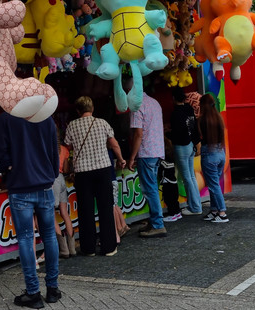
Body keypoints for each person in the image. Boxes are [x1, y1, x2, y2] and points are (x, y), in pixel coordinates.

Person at [0, 111, 62, 309]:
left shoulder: (7, 118)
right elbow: (54, 150)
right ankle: (53, 289)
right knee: (49, 236)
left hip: (20, 186)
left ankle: (33, 293)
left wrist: (7, 165)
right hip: (44, 185)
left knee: (26, 238)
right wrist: (52, 173)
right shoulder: (46, 117)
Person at [64, 96, 126, 257]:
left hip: (82, 173)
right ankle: (109, 247)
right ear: (92, 109)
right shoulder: (102, 123)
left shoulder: (72, 125)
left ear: (78, 110)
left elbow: (68, 147)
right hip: (103, 170)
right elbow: (114, 144)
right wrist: (121, 159)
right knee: (106, 208)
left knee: (86, 210)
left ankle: (88, 248)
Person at [129, 88, 167, 238]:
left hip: (146, 152)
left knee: (150, 190)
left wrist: (132, 156)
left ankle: (158, 224)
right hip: (157, 151)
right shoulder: (154, 102)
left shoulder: (137, 106)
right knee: (153, 188)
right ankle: (154, 221)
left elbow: (138, 134)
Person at [170, 91, 202, 218]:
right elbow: (193, 127)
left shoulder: (175, 114)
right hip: (190, 145)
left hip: (181, 146)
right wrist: (196, 142)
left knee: (187, 178)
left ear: (174, 98)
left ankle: (195, 207)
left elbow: (176, 132)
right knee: (192, 177)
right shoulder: (189, 109)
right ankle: (197, 205)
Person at [198, 94, 229, 223]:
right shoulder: (218, 118)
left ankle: (222, 212)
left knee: (213, 185)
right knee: (214, 184)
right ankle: (214, 210)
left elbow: (198, 137)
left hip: (209, 154)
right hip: (220, 153)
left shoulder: (202, 120)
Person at [50, 167, 76, 258]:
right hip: (61, 178)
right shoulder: (63, 155)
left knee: (51, 215)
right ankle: (72, 249)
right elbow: (66, 169)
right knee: (64, 213)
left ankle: (64, 249)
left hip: (52, 179)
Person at [159, 137, 181, 220]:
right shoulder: (172, 159)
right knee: (175, 199)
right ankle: (177, 212)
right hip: (174, 182)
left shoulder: (162, 162)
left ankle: (172, 214)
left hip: (167, 182)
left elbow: (161, 171)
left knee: (169, 199)